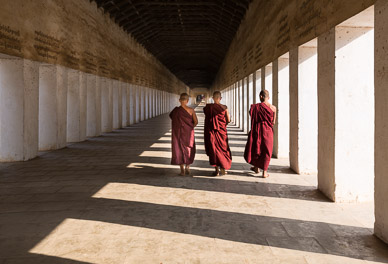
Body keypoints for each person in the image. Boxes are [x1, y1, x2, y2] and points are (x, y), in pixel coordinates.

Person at [244, 90, 276, 178]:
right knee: (266, 150)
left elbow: (252, 115)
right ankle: (263, 171)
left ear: (261, 96)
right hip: (268, 132)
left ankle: (256, 167)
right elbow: (273, 122)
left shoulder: (255, 107)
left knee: (257, 148)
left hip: (257, 130)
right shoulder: (273, 108)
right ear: (268, 98)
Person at [203, 91, 232, 176]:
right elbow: (228, 120)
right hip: (221, 132)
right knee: (223, 148)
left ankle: (217, 171)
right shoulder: (224, 108)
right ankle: (223, 167)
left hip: (211, 132)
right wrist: (223, 125)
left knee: (213, 149)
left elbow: (208, 120)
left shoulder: (208, 108)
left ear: (213, 98)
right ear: (220, 98)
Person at [170, 93, 198, 176]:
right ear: (187, 101)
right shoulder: (191, 110)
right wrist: (190, 127)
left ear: (179, 100)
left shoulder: (176, 111)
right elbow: (196, 122)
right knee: (188, 149)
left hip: (178, 133)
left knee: (178, 149)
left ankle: (182, 170)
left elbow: (173, 119)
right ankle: (188, 166)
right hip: (188, 132)